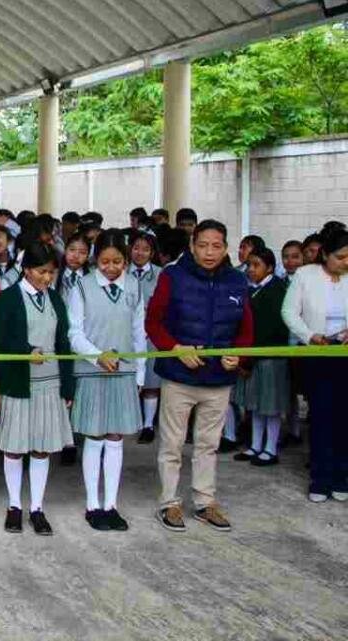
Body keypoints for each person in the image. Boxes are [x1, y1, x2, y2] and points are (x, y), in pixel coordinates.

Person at [146, 219, 252, 533]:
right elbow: (153, 323)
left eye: (216, 245)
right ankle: (169, 503)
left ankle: (205, 502)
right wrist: (175, 347)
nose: (209, 252)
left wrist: (239, 354)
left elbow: (246, 330)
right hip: (180, 377)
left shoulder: (237, 281)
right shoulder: (173, 277)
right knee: (172, 444)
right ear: (192, 247)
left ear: (226, 248)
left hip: (219, 379)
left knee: (208, 444)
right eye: (202, 245)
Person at [0, 242, 75, 537]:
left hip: (50, 382)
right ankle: (14, 506)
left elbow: (64, 343)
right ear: (26, 270)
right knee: (14, 448)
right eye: (42, 271)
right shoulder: (7, 299)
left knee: (42, 448)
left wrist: (68, 385)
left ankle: (37, 507)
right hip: (19, 383)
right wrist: (26, 351)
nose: (47, 278)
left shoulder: (56, 300)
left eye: (52, 272)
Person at [66, 230, 146, 532]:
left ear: (125, 260)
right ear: (94, 259)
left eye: (117, 262)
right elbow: (74, 332)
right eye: (104, 261)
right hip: (93, 371)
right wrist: (97, 355)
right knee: (95, 437)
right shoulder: (82, 287)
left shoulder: (135, 287)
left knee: (115, 440)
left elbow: (140, 332)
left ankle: (111, 504)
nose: (111, 268)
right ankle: (92, 504)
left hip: (123, 372)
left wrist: (139, 372)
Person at [281, 229, 348, 503]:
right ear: (324, 255)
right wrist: (310, 336)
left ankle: (342, 477)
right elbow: (288, 311)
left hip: (346, 355)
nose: (346, 262)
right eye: (340, 257)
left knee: (344, 419)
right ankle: (320, 479)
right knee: (321, 417)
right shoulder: (305, 276)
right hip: (317, 353)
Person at [232, 247, 289, 467]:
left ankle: (270, 448)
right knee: (255, 404)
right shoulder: (250, 289)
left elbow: (268, 328)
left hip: (270, 356)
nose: (251, 270)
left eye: (257, 265)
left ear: (270, 268)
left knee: (271, 406)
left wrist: (249, 357)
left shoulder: (276, 290)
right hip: (252, 356)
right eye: (249, 265)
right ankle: (256, 445)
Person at [129, 232, 164, 444]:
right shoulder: (121, 272)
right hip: (125, 333)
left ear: (152, 252)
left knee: (151, 381)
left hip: (150, 333)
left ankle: (148, 424)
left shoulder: (161, 274)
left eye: (145, 249)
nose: (140, 253)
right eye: (136, 247)